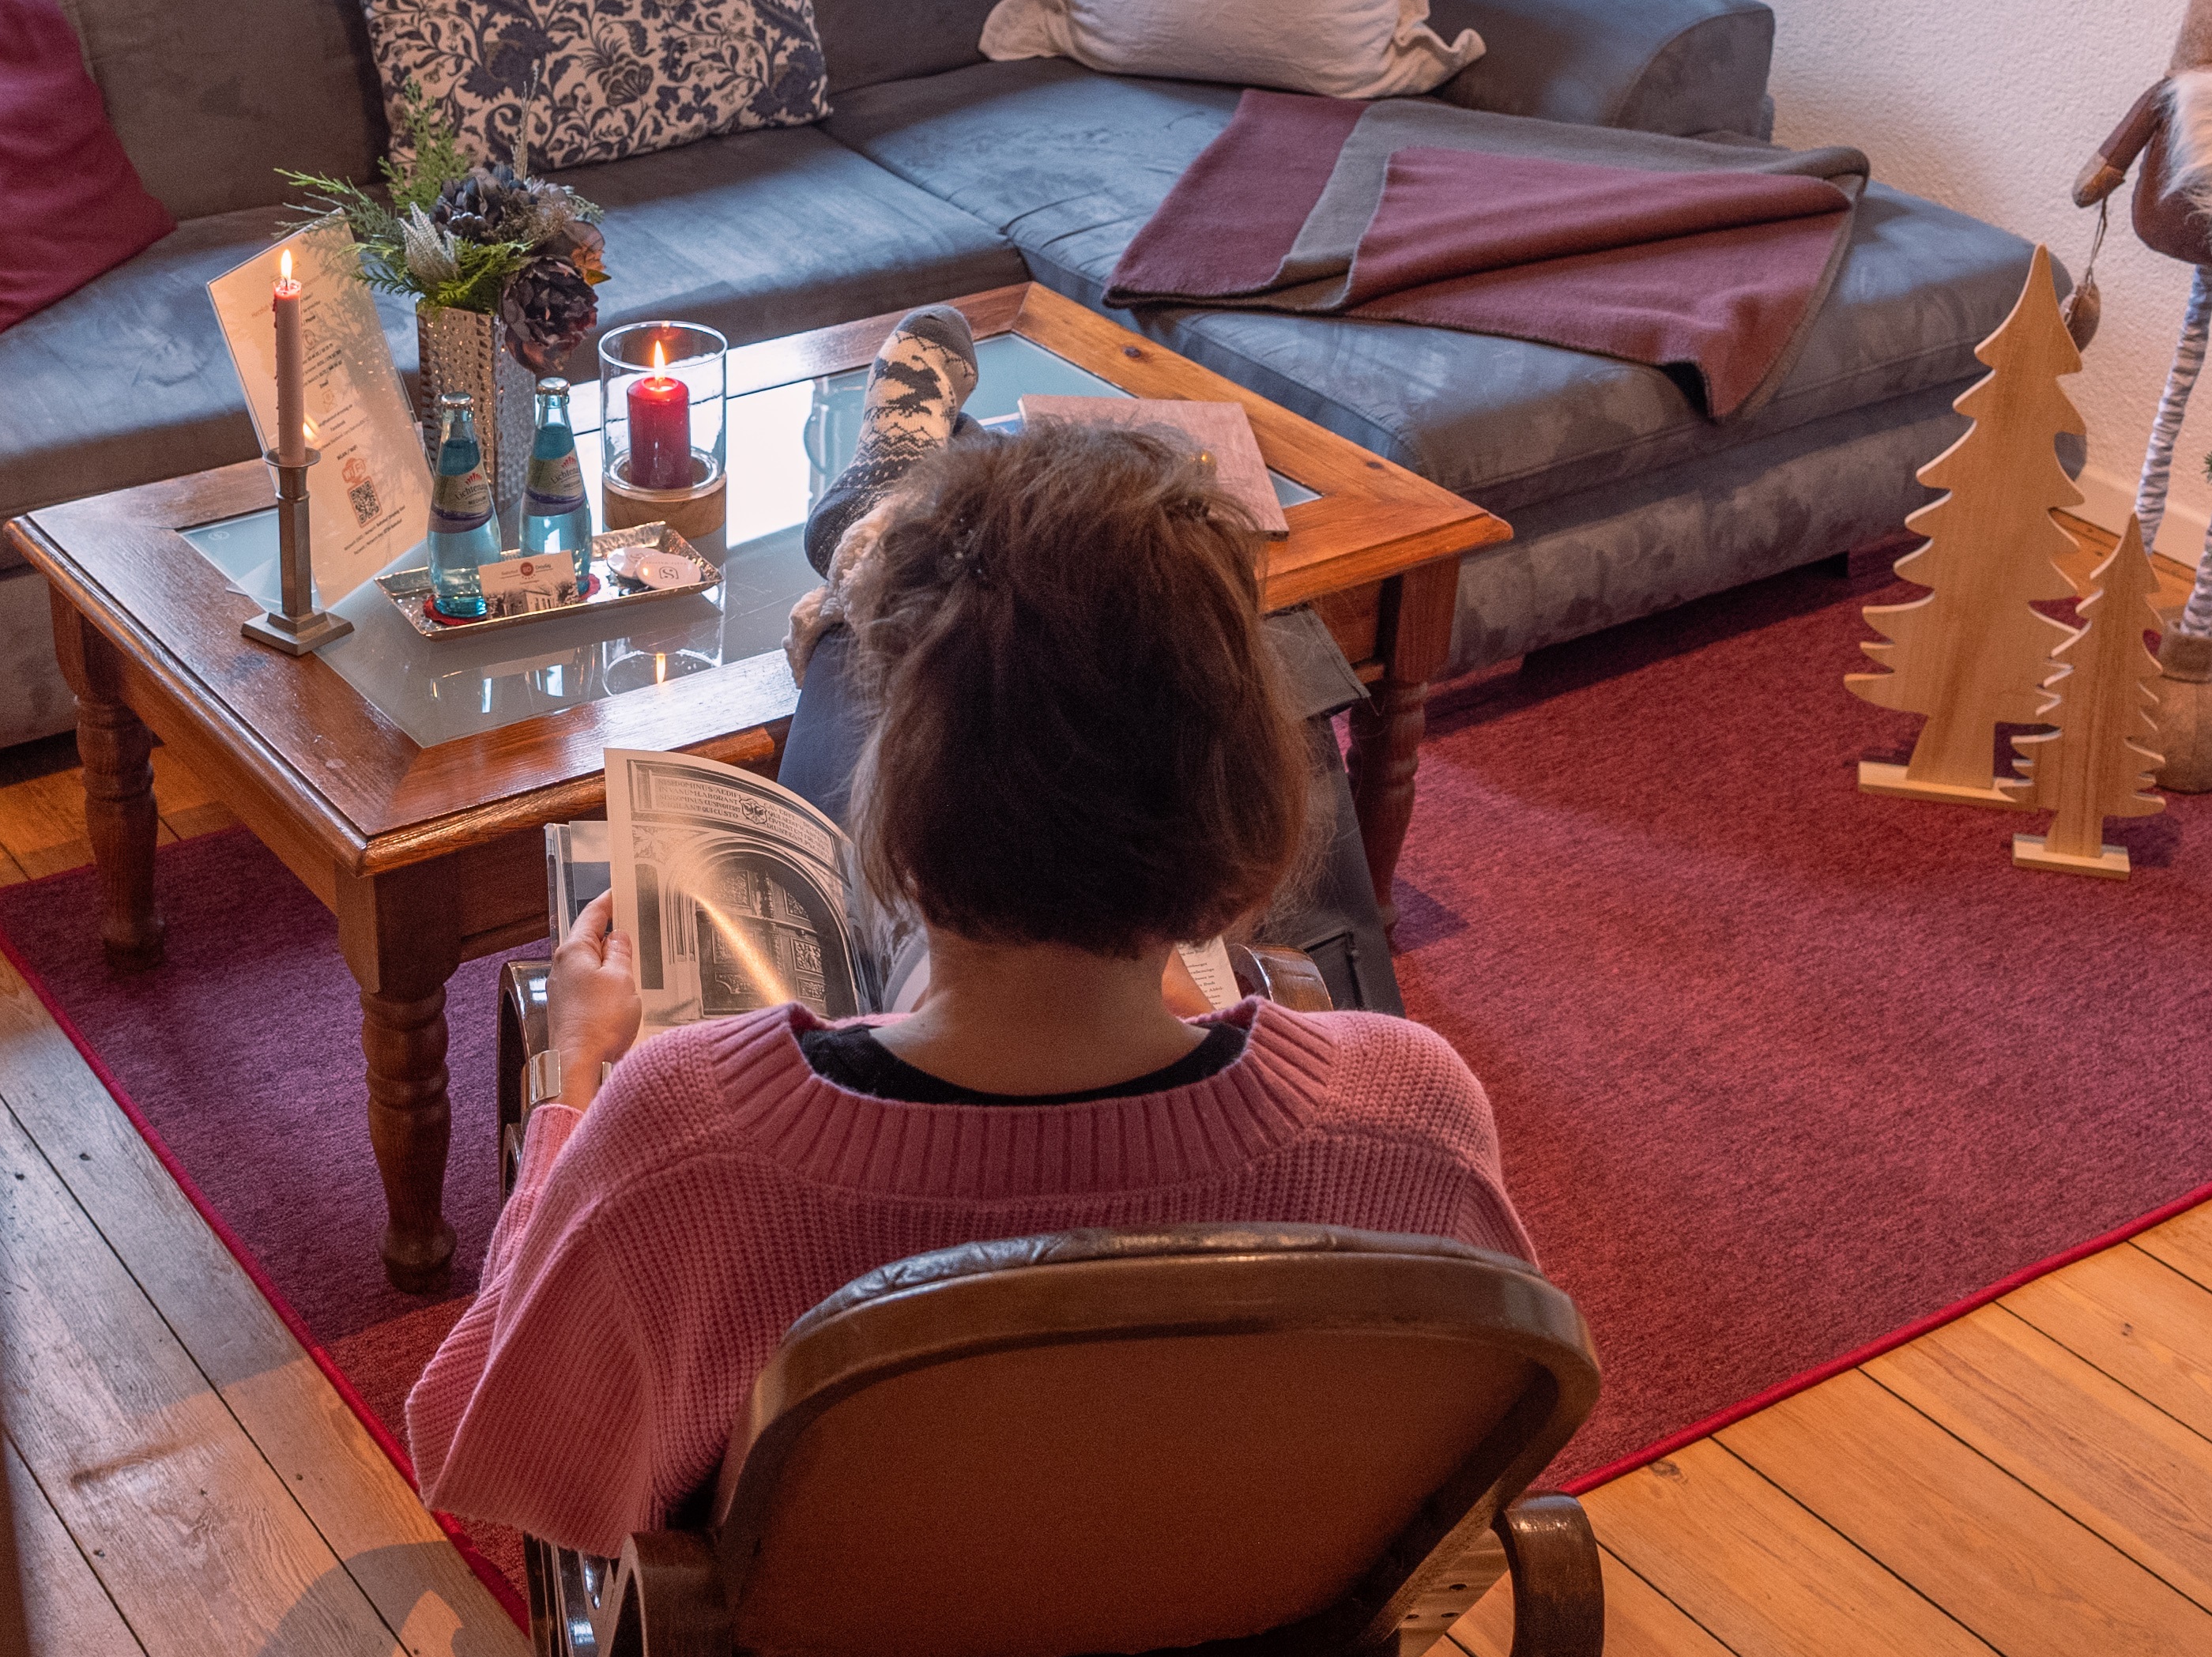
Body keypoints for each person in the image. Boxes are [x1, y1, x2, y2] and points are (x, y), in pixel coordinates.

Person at [403, 420, 1536, 1557]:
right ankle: (876, 520)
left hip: (831, 1622)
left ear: (893, 821)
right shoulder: (1410, 1117)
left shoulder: (684, 1132)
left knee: (872, 664)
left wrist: (574, 1082)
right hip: (1224, 1581)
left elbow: (485, 1436)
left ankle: (871, 528)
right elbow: (1471, 1439)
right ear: (1246, 807)